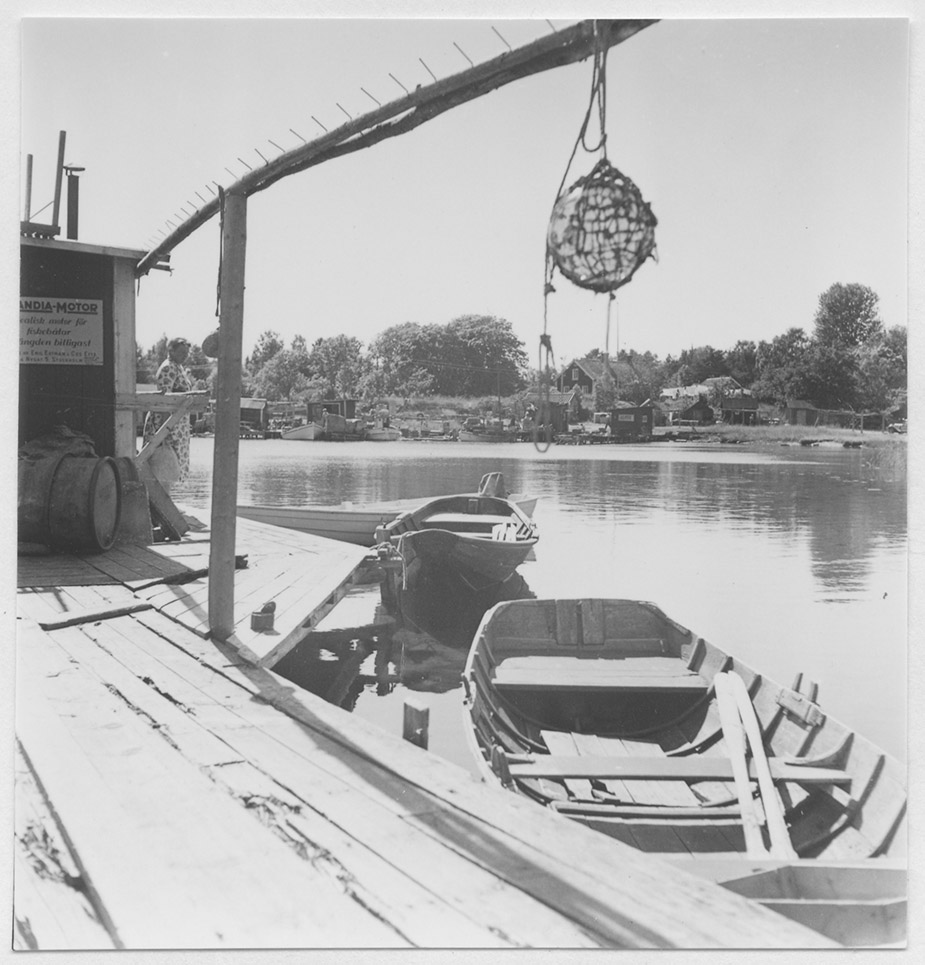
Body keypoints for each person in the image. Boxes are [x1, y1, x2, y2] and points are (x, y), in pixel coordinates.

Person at [143, 337, 194, 491]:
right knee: (163, 465)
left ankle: (165, 499)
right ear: (171, 350)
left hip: (176, 426)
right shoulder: (168, 368)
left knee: (171, 468)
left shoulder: (178, 367)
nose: (185, 356)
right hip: (167, 425)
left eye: (187, 353)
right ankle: (160, 500)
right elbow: (165, 400)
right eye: (181, 352)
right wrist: (164, 431)